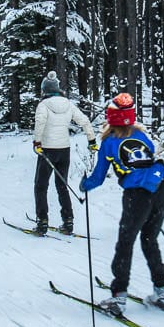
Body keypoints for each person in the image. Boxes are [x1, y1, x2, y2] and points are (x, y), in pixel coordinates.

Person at [79, 92, 164, 316]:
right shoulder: (142, 135)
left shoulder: (109, 143)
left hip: (137, 195)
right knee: (150, 240)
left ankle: (118, 297)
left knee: (125, 242)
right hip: (161, 187)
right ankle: (162, 291)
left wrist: (85, 185)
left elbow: (98, 177)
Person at [32, 71, 97, 236]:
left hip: (47, 148)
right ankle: (68, 222)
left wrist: (37, 142)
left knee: (41, 186)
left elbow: (40, 122)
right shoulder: (68, 104)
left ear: (44, 90)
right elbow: (85, 121)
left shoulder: (44, 105)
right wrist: (92, 141)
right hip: (64, 150)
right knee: (62, 185)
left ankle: (42, 222)